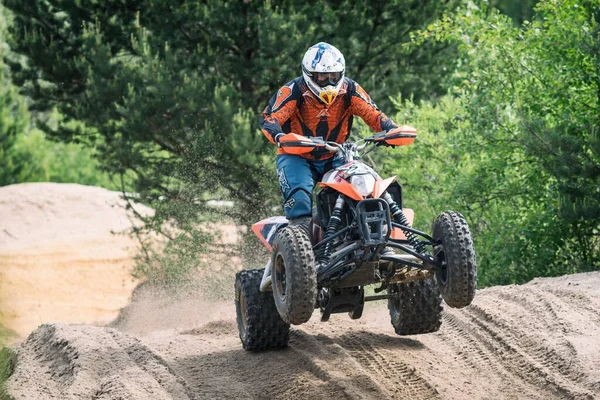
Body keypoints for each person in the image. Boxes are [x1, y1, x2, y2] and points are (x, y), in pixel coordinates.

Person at [260, 42, 399, 229]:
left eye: (333, 76)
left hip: (336, 153)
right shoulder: (294, 90)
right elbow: (269, 117)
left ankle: (378, 236)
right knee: (299, 199)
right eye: (323, 76)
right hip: (296, 154)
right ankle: (299, 246)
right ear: (309, 75)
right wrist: (280, 137)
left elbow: (373, 114)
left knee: (366, 187)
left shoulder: (350, 89)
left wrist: (391, 129)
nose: (329, 81)